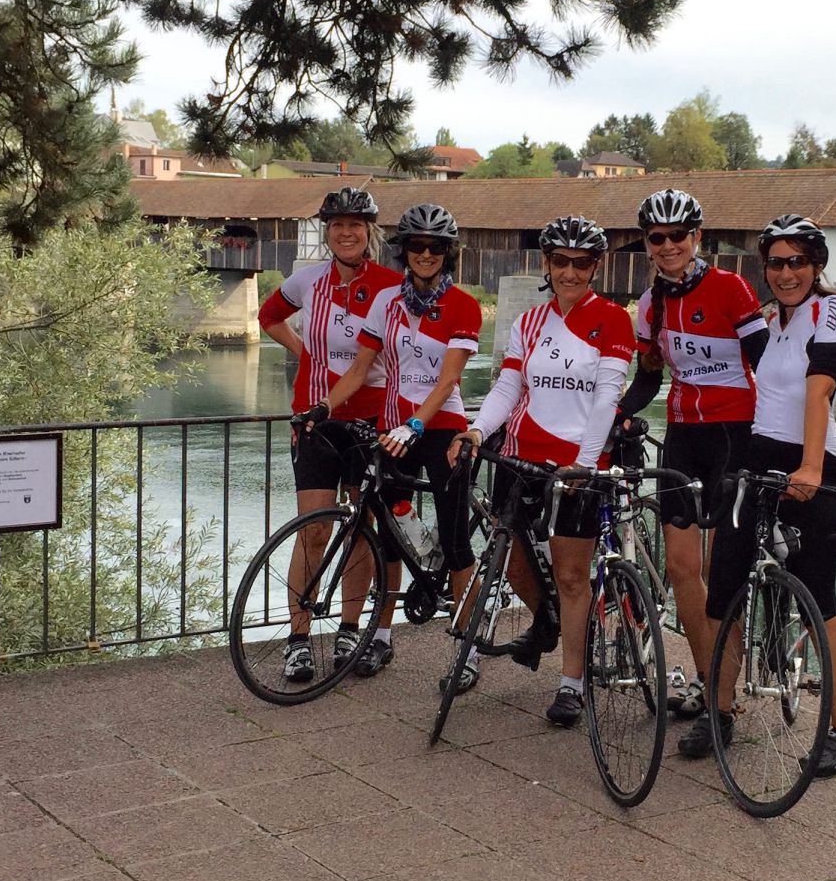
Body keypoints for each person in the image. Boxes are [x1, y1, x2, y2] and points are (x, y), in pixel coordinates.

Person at [695, 213, 836, 774]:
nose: (786, 272)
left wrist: (813, 466)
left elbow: (818, 393)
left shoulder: (832, 311)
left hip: (812, 461)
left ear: (816, 265)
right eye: (776, 262)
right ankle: (718, 711)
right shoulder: (773, 321)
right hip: (758, 457)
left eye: (797, 261)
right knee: (721, 590)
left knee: (820, 597)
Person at [449, 215, 635, 725]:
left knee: (572, 575)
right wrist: (478, 430)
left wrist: (587, 460)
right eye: (560, 262)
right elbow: (508, 388)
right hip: (519, 454)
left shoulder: (614, 320)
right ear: (547, 265)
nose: (570, 273)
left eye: (581, 263)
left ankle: (571, 682)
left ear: (595, 267)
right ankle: (545, 619)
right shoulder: (528, 322)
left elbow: (606, 396)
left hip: (577, 463)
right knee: (508, 556)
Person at [615, 187, 769, 724]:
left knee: (719, 574)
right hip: (683, 435)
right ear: (648, 244)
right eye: (657, 238)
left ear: (696, 237)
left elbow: (766, 366)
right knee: (682, 567)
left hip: (736, 435)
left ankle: (724, 699)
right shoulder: (650, 304)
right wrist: (615, 414)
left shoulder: (732, 290)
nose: (668, 245)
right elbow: (649, 379)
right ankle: (710, 688)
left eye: (678, 235)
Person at [310, 204, 481, 675]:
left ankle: (465, 651)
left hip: (441, 428)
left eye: (436, 247)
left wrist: (417, 425)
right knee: (388, 538)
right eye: (417, 246)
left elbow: (447, 382)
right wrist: (324, 407)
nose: (426, 254)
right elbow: (361, 369)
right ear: (403, 251)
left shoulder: (463, 306)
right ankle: (381, 636)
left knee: (456, 541)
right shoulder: (386, 302)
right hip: (392, 430)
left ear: (447, 252)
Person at [259, 187, 402, 681]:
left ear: (369, 233)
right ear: (327, 231)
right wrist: (307, 355)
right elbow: (267, 316)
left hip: (372, 420)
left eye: (356, 225)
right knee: (314, 528)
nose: (346, 232)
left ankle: (349, 628)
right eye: (337, 225)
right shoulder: (307, 281)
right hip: (316, 417)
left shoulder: (391, 285)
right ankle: (298, 639)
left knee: (362, 528)